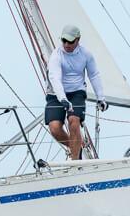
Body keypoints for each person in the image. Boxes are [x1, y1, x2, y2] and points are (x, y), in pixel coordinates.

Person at [44, 25, 108, 161]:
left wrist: (101, 98)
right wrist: (63, 99)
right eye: (64, 41)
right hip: (56, 94)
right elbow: (55, 78)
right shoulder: (56, 56)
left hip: (76, 92)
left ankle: (75, 162)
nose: (66, 44)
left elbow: (94, 75)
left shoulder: (86, 54)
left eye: (70, 41)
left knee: (73, 121)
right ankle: (76, 147)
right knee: (55, 128)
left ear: (78, 40)